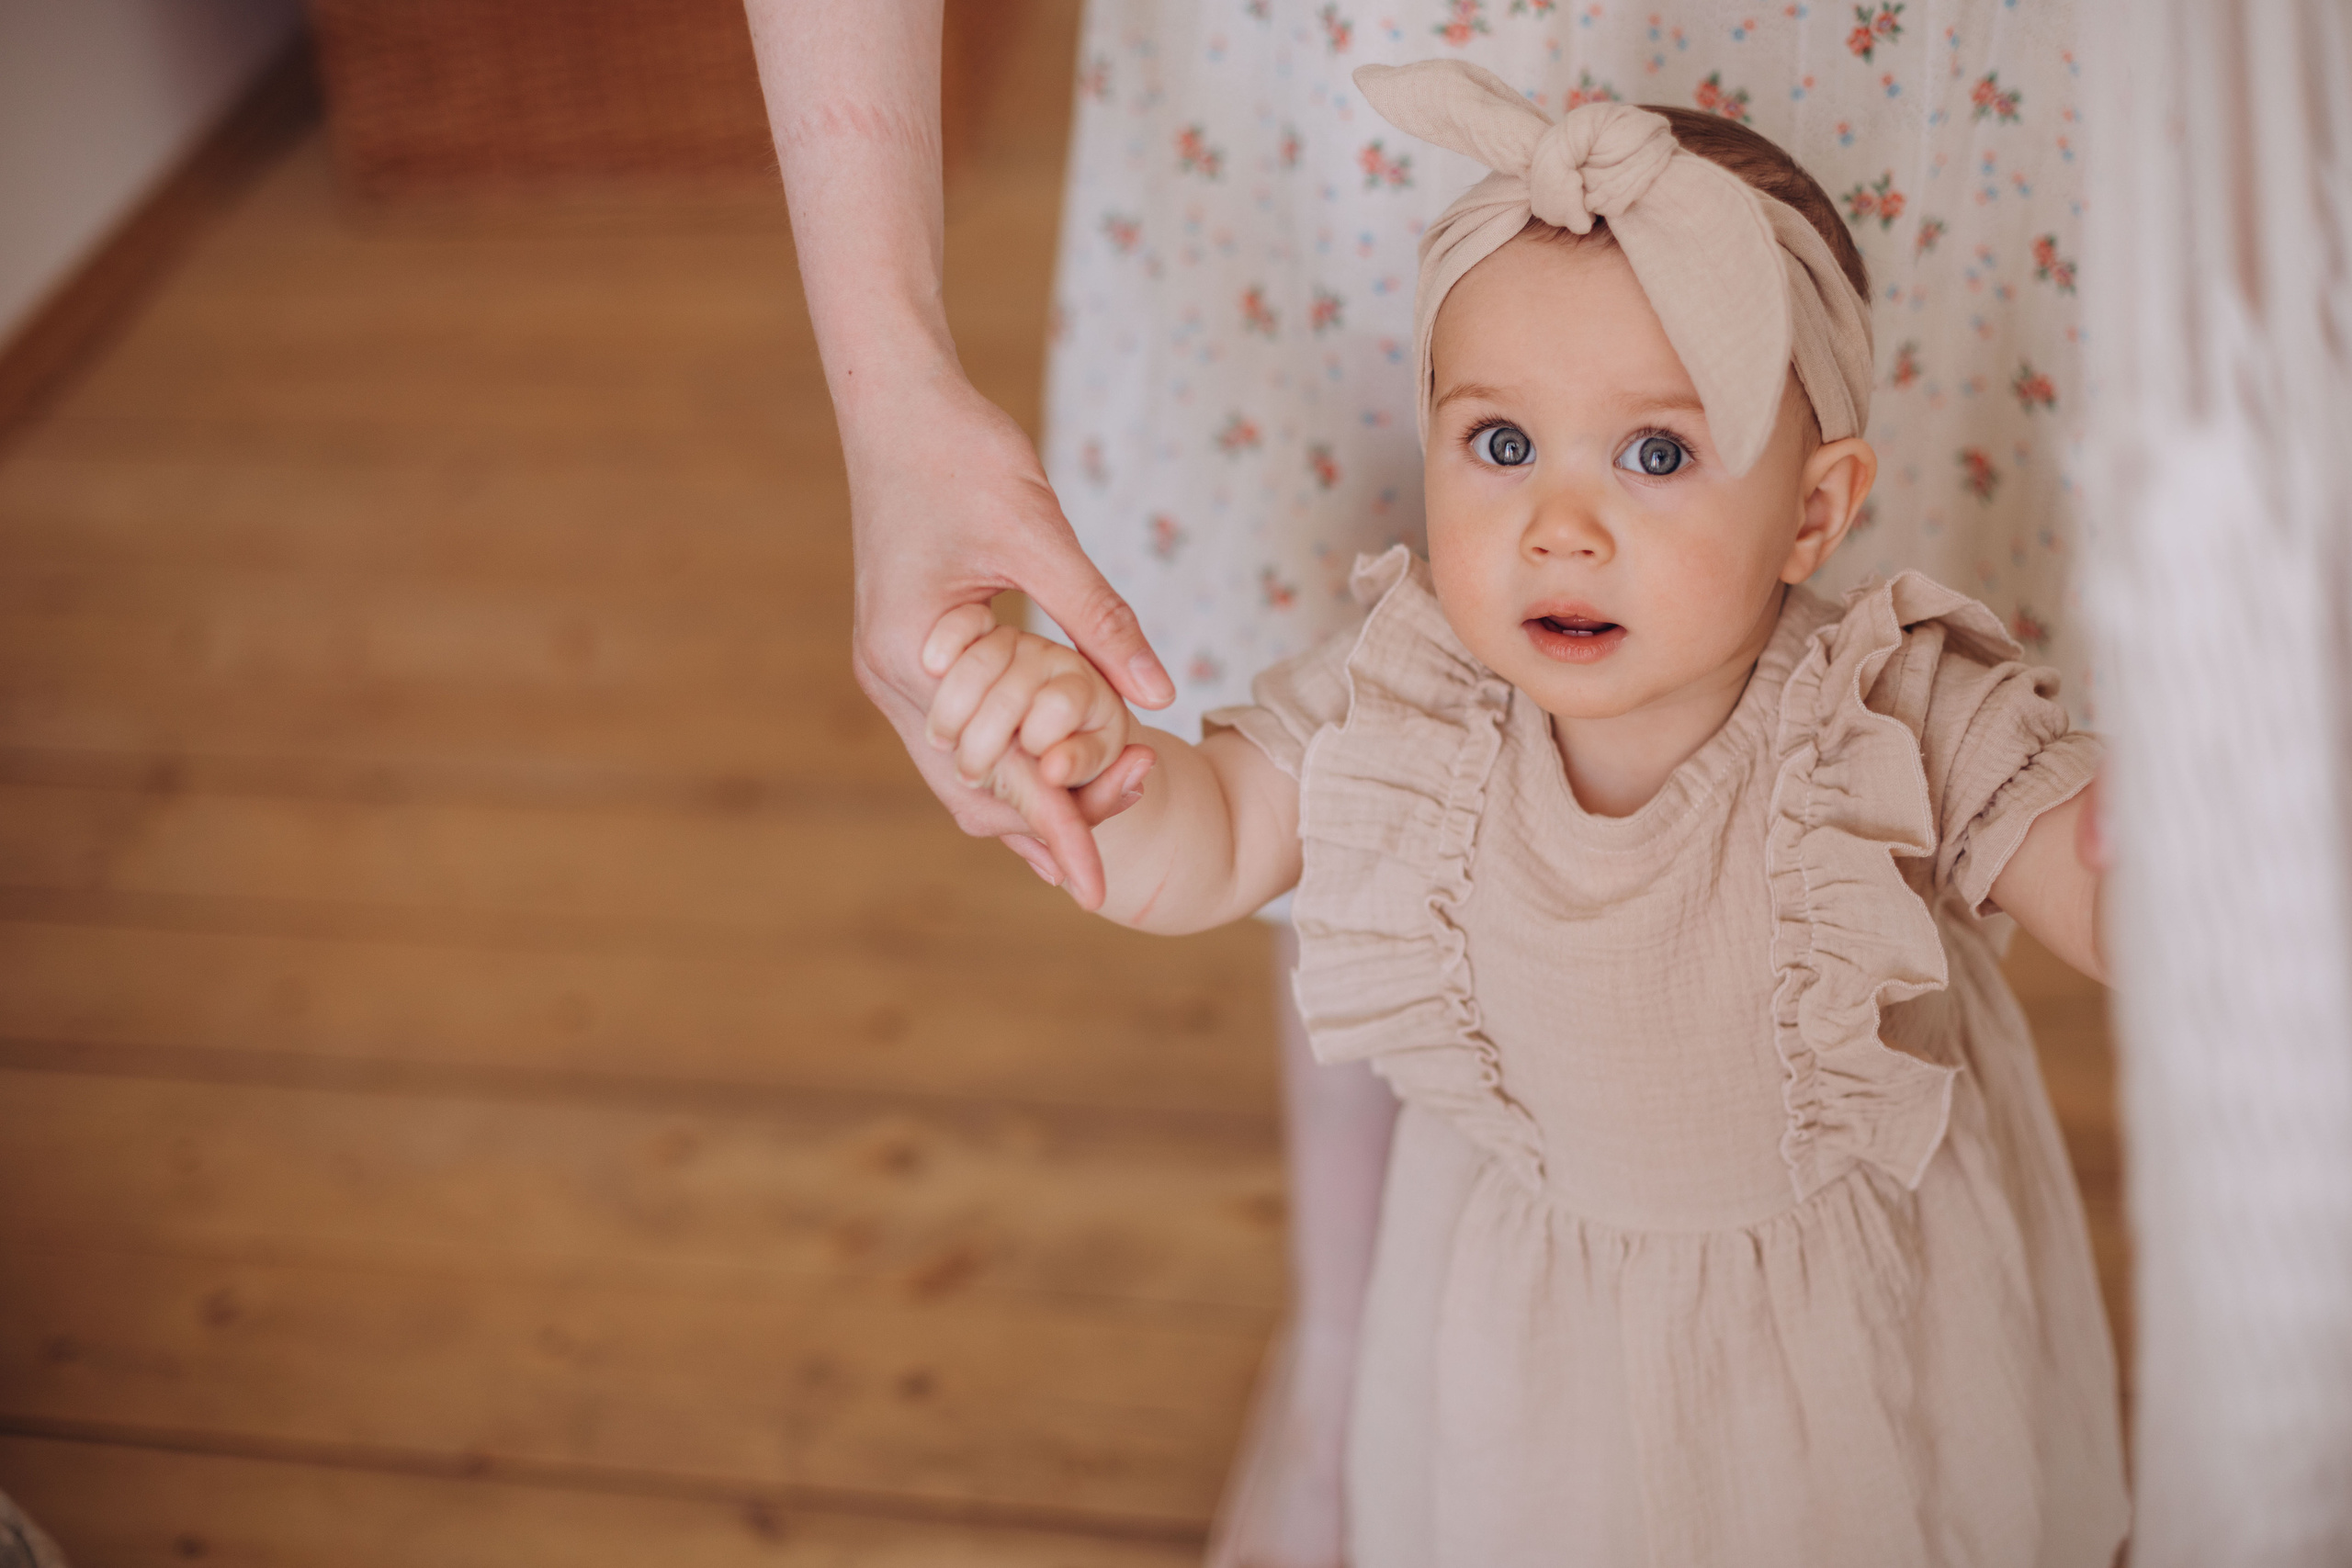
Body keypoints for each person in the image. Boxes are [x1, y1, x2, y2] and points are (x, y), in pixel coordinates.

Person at [752, 5, 2092, 1562]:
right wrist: (1093, 766)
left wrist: (2195, 846)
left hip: (1854, 1373)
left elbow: (2105, 870)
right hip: (1530, 1359)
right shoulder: (1408, 698)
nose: (1561, 525)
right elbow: (1225, 834)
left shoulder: (1900, 707)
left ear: (1815, 510)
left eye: (1656, 458)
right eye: (1503, 441)